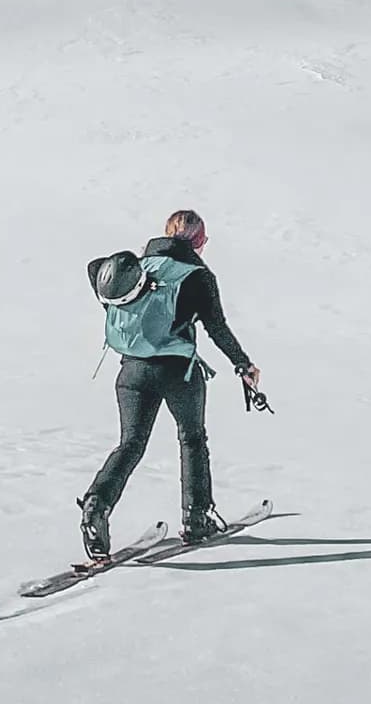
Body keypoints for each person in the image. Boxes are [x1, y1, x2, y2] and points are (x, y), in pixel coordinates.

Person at [80, 209, 259, 556]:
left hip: (131, 373)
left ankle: (96, 506)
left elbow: (94, 268)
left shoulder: (132, 272)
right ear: (199, 241)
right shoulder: (198, 276)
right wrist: (244, 365)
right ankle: (197, 518)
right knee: (192, 439)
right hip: (178, 373)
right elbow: (217, 328)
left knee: (130, 444)